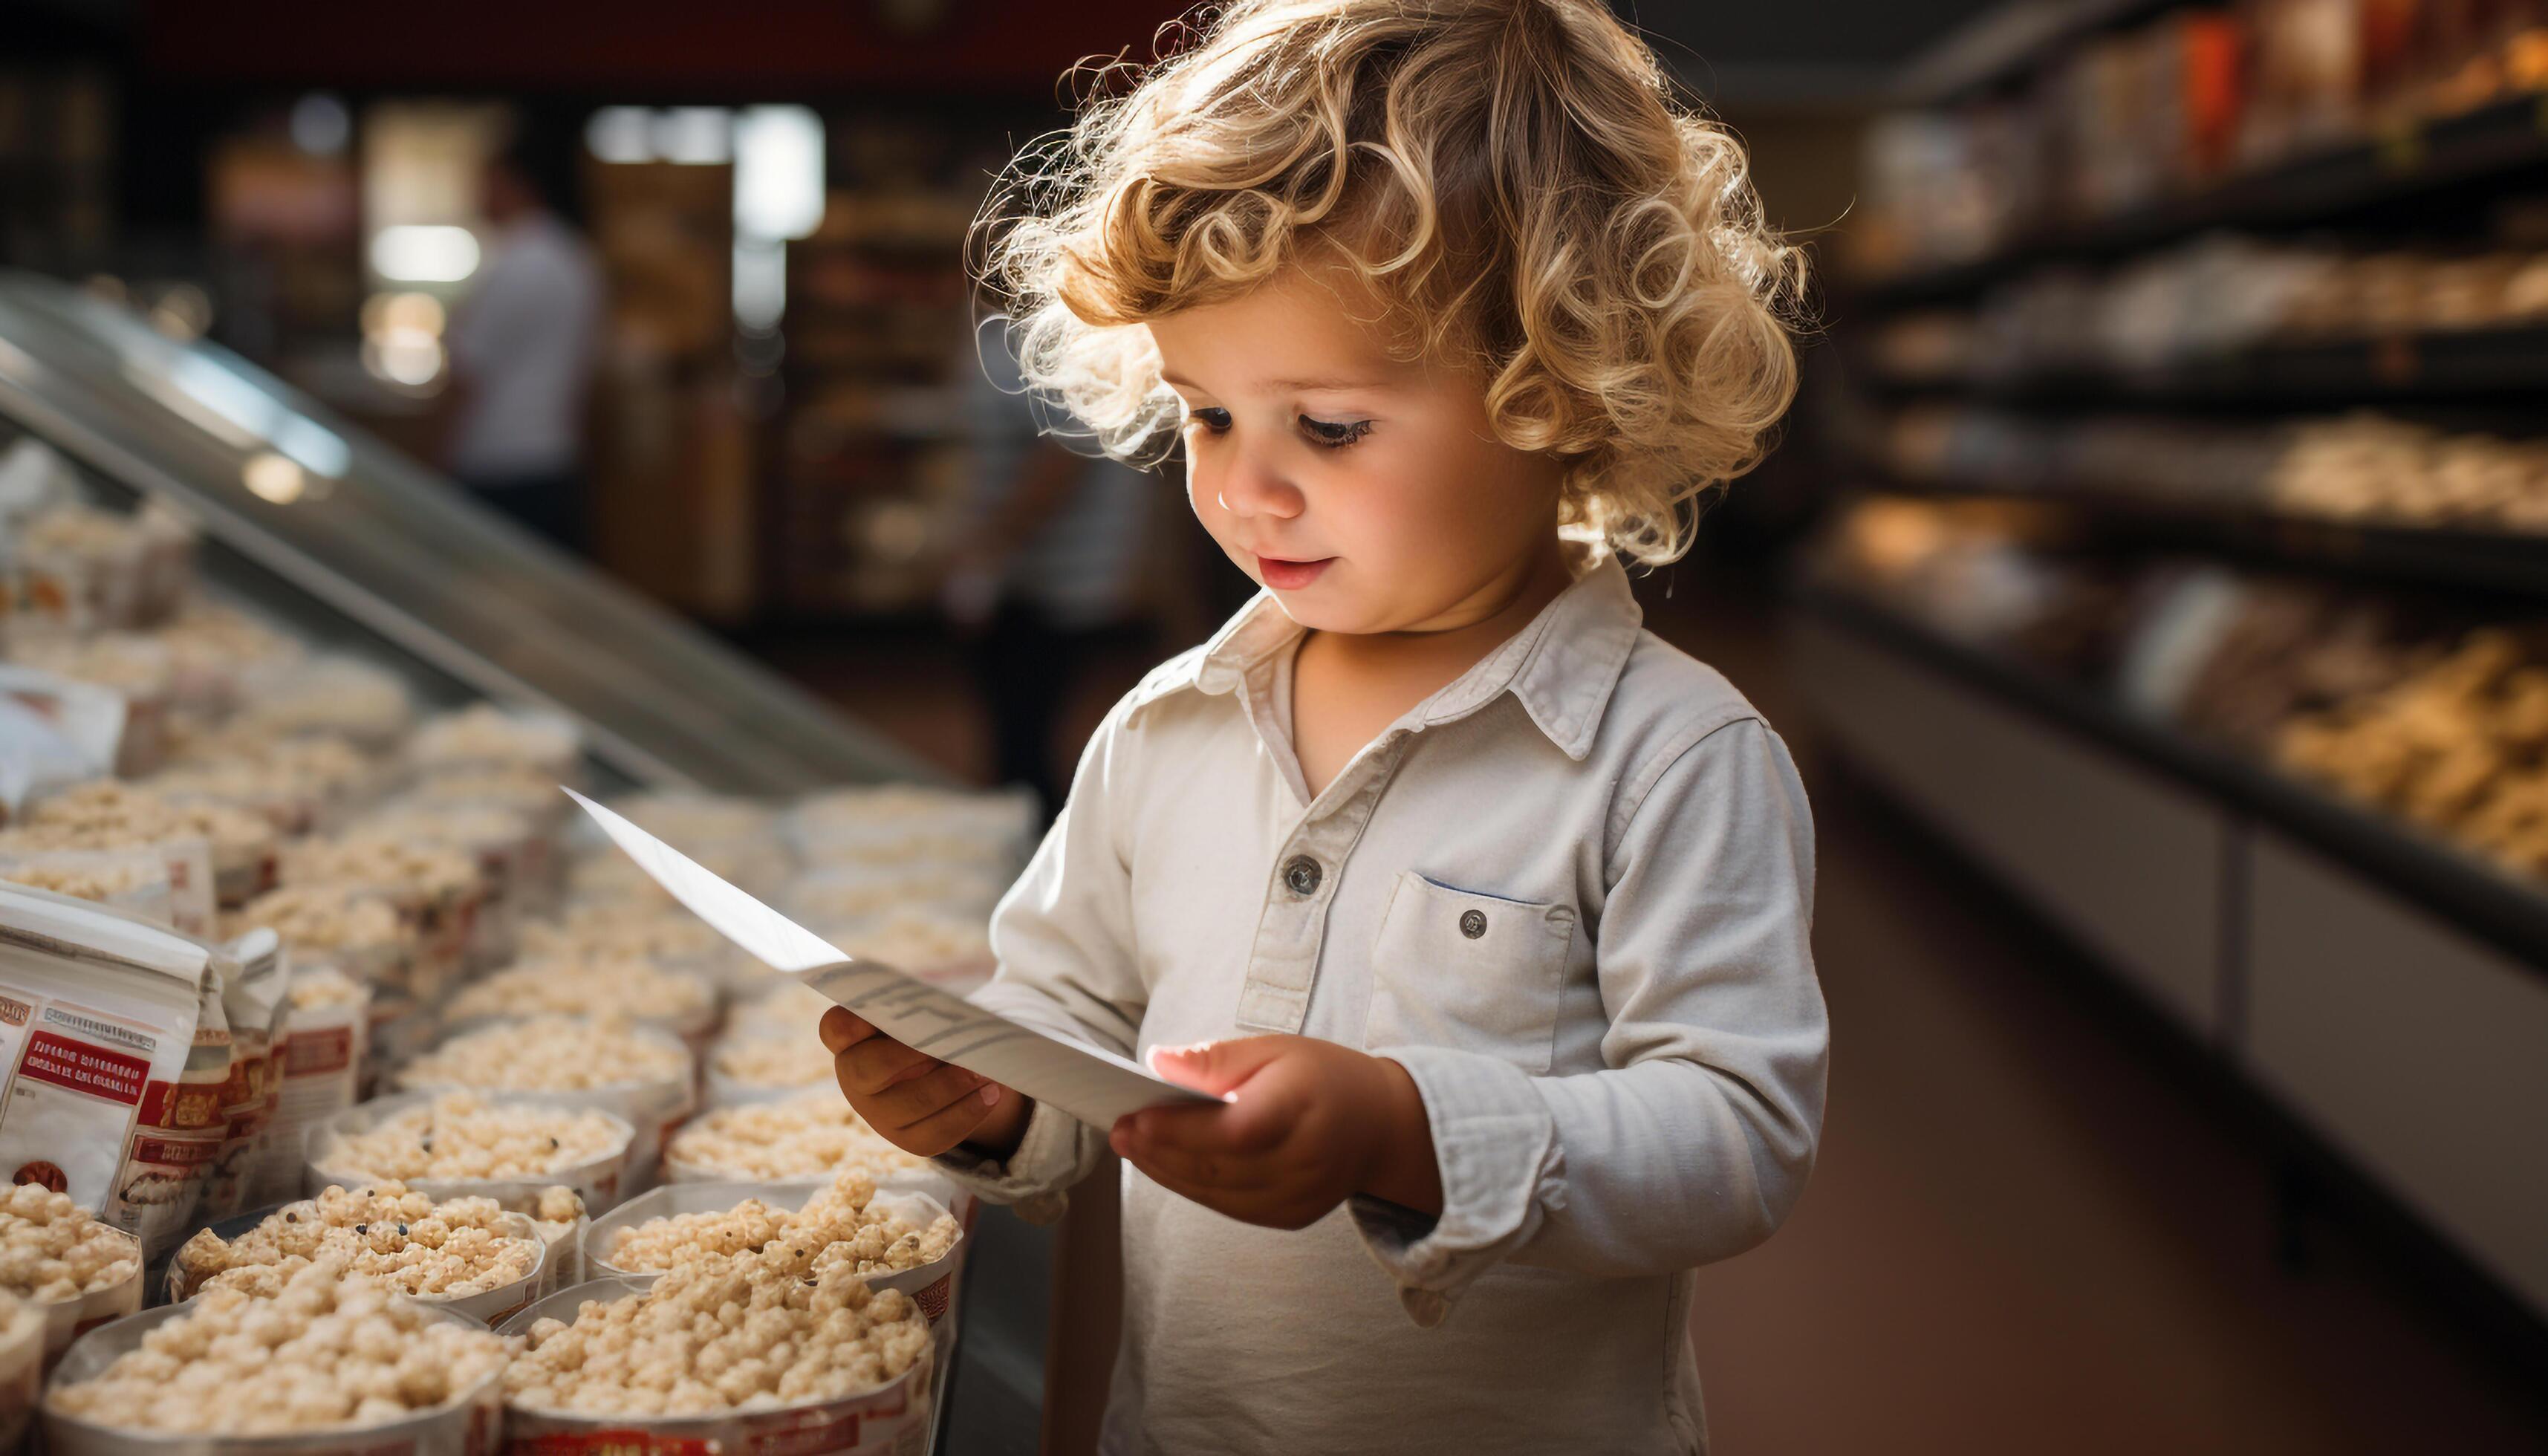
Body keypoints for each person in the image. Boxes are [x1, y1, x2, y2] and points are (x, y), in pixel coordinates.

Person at [821, 3, 1824, 1451]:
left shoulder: (1667, 756)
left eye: (1329, 426)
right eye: (1207, 417)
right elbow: (1069, 1006)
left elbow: (1734, 1134)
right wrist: (987, 1093)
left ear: (1555, 381)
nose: (1246, 489)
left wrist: (1406, 1129)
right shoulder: (1164, 728)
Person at [946, 316, 1158, 820]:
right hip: (1019, 569)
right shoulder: (1002, 333)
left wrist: (987, 554)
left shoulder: (1070, 343)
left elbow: (1061, 461)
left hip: (1055, 574)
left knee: (1026, 742)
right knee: (1013, 733)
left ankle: (1036, 865)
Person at [441, 131, 604, 554]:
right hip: (556, 456)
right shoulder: (575, 257)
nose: (477, 194)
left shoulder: (515, 264)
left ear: (515, 182)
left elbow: (467, 372)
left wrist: (433, 452)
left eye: (485, 180)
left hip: (499, 460)